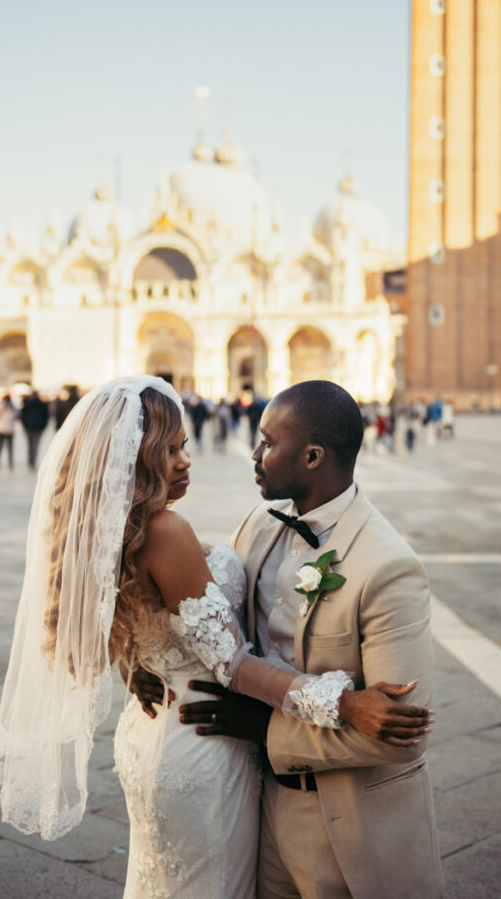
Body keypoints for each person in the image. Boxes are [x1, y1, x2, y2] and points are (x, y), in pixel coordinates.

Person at [0, 377, 433, 899]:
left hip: (165, 742)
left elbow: (142, 606)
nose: (186, 460)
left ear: (312, 456)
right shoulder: (191, 529)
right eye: (169, 449)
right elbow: (229, 660)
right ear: (136, 458)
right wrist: (344, 703)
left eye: (183, 446)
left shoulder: (130, 530)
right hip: (199, 751)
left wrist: (144, 659)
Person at [171, 380, 444, 898]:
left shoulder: (388, 567)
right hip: (258, 812)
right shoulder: (258, 524)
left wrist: (265, 729)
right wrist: (150, 664)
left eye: (268, 443)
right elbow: (212, 621)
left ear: (313, 456)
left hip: (351, 829)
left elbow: (402, 734)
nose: (254, 454)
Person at [20, 389, 49, 469]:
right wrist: (43, 426)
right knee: (35, 446)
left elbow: (22, 416)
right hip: (37, 428)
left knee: (30, 445)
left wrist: (25, 426)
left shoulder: (27, 404)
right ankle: (32, 461)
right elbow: (46, 417)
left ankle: (30, 461)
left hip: (30, 427)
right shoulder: (42, 404)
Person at [0, 393, 19, 469]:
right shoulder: (1, 406)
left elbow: (16, 416)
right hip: (1, 429)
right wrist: (2, 407)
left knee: (10, 449)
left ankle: (10, 464)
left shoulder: (12, 407)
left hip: (9, 430)